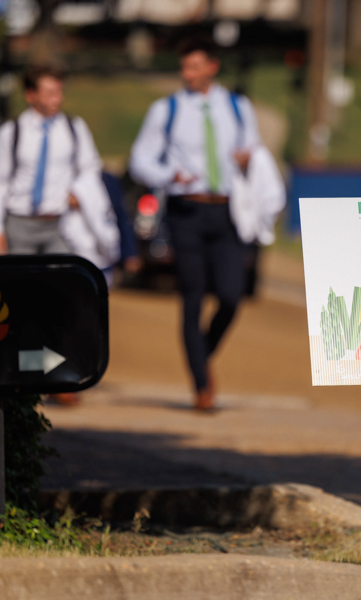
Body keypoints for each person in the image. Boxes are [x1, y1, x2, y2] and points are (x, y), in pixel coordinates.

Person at [129, 39, 263, 412]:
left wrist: (248, 159)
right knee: (192, 295)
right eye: (184, 67)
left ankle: (201, 355)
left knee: (232, 295)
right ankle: (202, 385)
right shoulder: (166, 109)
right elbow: (140, 159)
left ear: (212, 67)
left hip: (227, 210)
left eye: (195, 67)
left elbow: (256, 152)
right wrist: (169, 175)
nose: (188, 74)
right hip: (185, 209)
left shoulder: (238, 107)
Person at [0, 64, 116, 258]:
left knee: (59, 283)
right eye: (50, 93)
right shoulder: (11, 132)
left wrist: (80, 192)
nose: (58, 99)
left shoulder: (74, 128)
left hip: (60, 224)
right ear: (31, 95)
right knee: (21, 285)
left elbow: (90, 167)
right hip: (19, 223)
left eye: (59, 92)